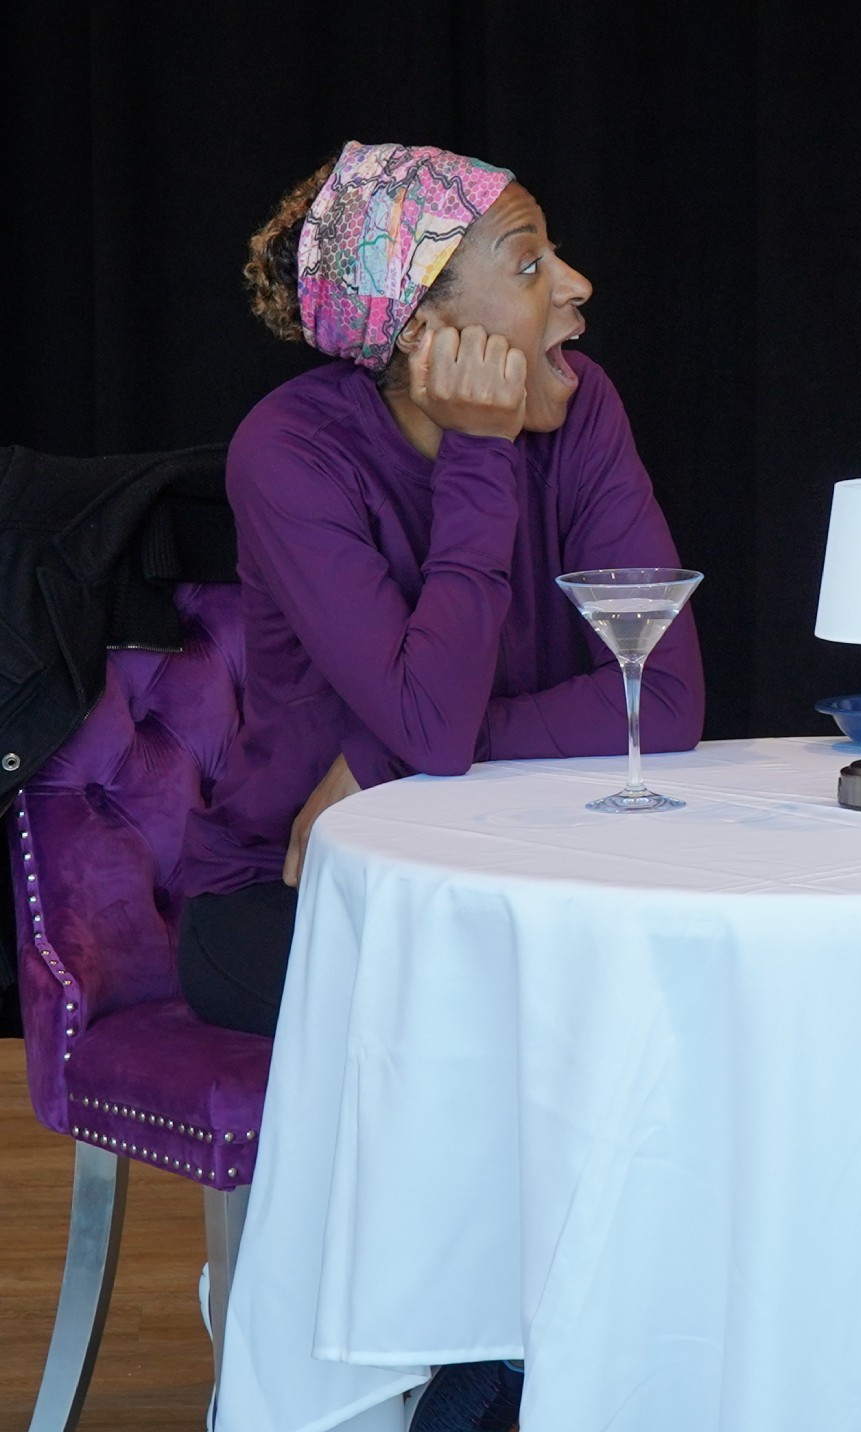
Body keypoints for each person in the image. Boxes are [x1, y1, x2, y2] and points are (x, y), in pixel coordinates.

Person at [178, 141, 704, 1432]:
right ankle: (471, 1370)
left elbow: (668, 701)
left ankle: (584, 1356)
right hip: (286, 901)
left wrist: (392, 760)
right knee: (495, 1010)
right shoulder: (290, 451)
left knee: (639, 1001)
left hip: (519, 883)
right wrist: (479, 457)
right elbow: (431, 711)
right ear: (428, 332)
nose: (576, 288)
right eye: (530, 265)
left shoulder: (582, 407)